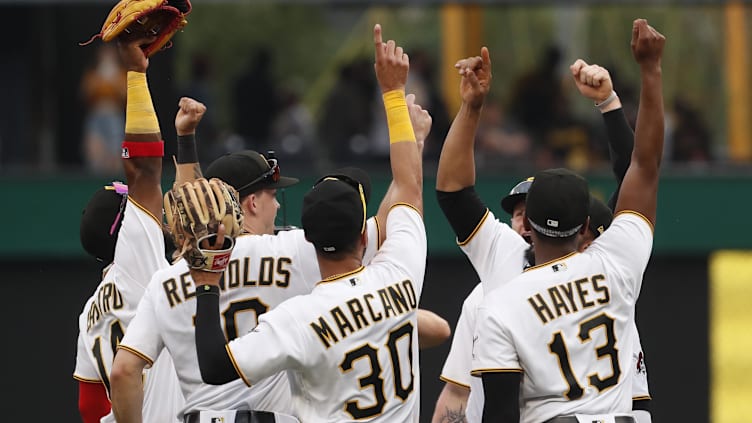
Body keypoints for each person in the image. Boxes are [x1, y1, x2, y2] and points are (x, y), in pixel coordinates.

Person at [110, 63, 445, 423]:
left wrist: (186, 140)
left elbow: (124, 372)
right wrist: (414, 142)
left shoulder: (169, 278)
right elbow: (394, 212)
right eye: (272, 194)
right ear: (251, 203)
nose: (276, 204)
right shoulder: (296, 252)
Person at [191, 24, 425, 422]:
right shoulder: (399, 276)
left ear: (308, 239)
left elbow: (214, 368)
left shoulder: (298, 319)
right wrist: (394, 98)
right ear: (364, 235)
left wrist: (208, 284)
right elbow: (408, 186)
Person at [432, 39, 653, 423]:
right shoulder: (614, 270)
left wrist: (471, 107)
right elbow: (639, 172)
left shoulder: (509, 282)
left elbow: (453, 192)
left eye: (523, 211)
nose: (518, 220)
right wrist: (611, 103)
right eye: (515, 211)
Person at [72, 35, 207, 423]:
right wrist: (136, 74)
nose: (146, 205)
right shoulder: (136, 256)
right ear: (126, 225)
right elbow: (144, 169)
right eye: (132, 206)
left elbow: (89, 405)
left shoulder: (91, 310)